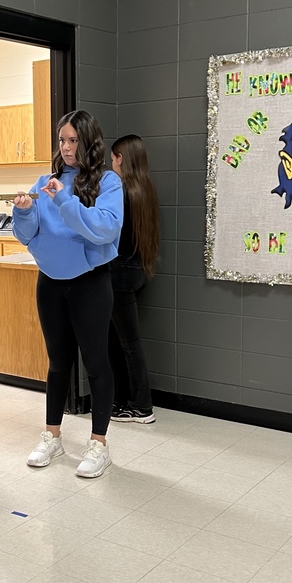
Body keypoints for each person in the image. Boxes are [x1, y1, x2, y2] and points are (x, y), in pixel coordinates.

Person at [12, 109, 123, 478]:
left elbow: (104, 230)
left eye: (73, 140)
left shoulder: (107, 183)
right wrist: (25, 211)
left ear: (89, 141)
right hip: (50, 283)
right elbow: (27, 235)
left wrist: (64, 200)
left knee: (96, 364)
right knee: (57, 363)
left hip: (90, 284)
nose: (66, 147)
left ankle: (98, 444)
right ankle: (52, 436)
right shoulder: (46, 181)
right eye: (62, 140)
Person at [108, 134, 160, 423]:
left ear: (122, 159)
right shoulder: (145, 188)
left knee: (126, 343)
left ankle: (141, 406)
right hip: (138, 269)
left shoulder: (121, 192)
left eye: (114, 157)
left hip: (118, 273)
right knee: (123, 341)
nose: (111, 161)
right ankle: (128, 402)